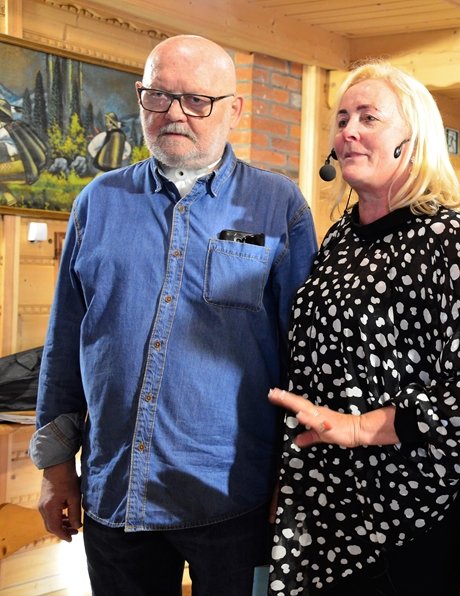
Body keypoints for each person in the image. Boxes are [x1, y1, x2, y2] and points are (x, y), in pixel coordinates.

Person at [31, 35, 317, 596]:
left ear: (234, 110)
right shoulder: (97, 202)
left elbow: (303, 355)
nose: (174, 114)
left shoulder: (278, 206)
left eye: (197, 100)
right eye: (158, 96)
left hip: (235, 496)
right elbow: (65, 343)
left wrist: (296, 481)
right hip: (118, 491)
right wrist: (56, 467)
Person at [266, 60, 460, 596]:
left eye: (369, 118)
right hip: (324, 500)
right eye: (342, 119)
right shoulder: (340, 238)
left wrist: (357, 429)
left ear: (412, 137)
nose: (349, 131)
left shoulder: (452, 240)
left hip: (411, 513)